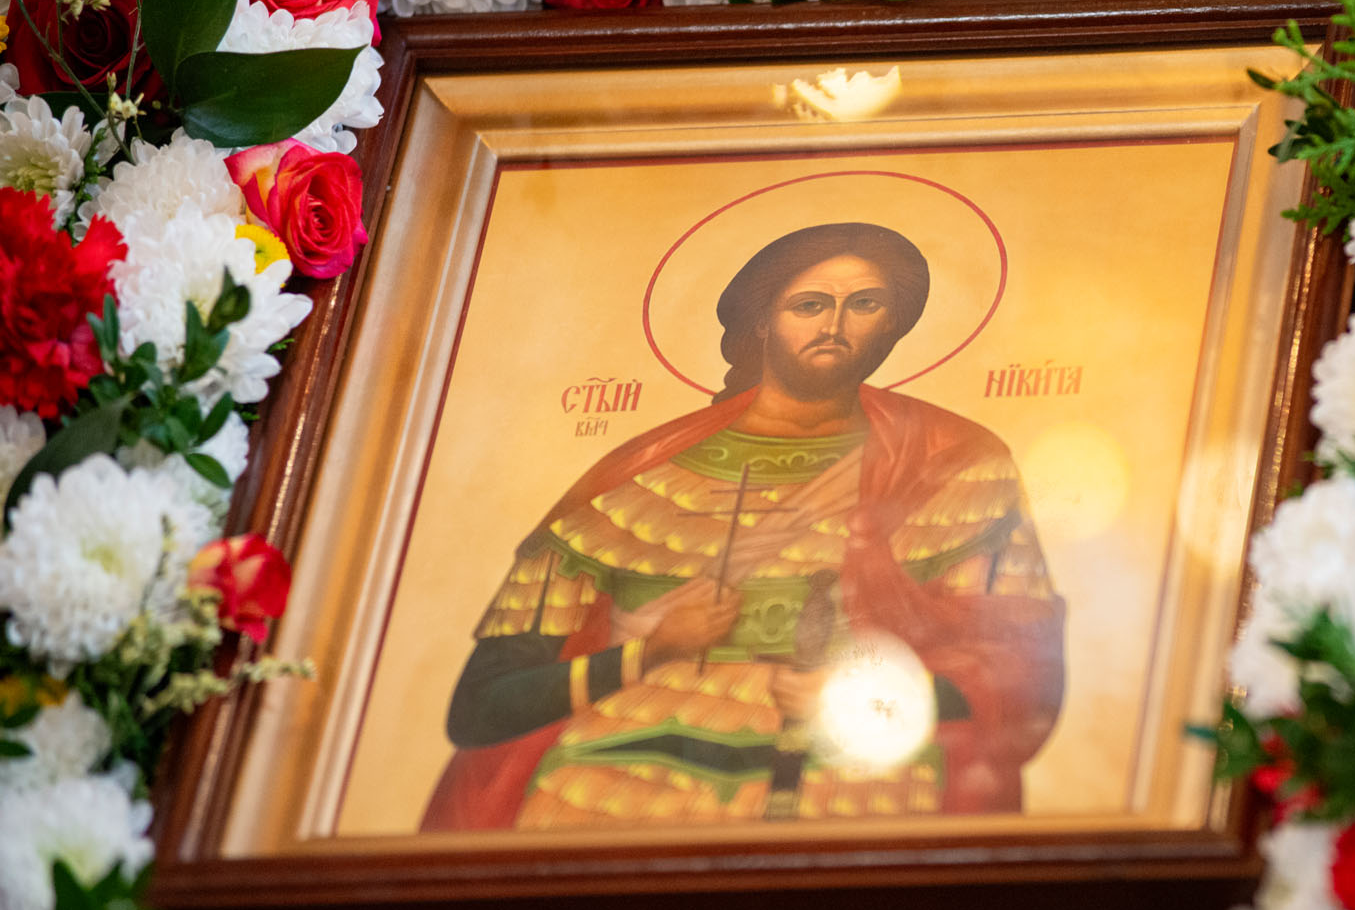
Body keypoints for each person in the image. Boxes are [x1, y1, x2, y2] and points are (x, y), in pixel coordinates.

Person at [421, 222, 1065, 830]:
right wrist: (649, 652)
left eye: (865, 304)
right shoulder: (633, 479)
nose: (835, 326)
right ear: (762, 321)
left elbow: (1019, 668)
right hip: (617, 767)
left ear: (894, 322)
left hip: (848, 762)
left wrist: (865, 694)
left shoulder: (954, 462)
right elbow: (482, 703)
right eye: (810, 305)